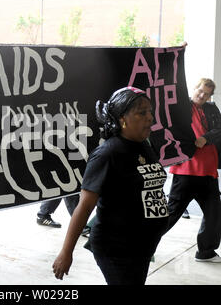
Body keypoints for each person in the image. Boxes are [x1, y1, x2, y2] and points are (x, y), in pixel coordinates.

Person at [52, 87, 169, 285]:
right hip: (117, 247)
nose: (150, 117)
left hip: (143, 245)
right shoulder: (107, 154)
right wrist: (66, 252)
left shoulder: (145, 145)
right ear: (122, 119)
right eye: (142, 112)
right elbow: (85, 206)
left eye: (150, 111)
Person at [166, 78, 221, 262]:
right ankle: (142, 245)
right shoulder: (181, 106)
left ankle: (206, 252)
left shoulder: (212, 109)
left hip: (209, 171)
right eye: (200, 91)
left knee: (214, 213)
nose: (202, 95)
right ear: (194, 88)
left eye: (206, 94)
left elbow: (220, 129)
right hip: (185, 170)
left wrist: (206, 138)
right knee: (171, 213)